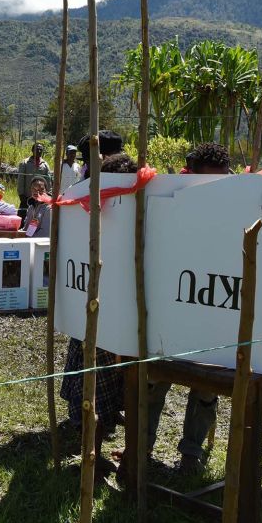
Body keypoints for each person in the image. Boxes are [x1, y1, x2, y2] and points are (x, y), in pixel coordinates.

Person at [145, 142, 231, 475]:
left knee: (207, 388)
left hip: (214, 314)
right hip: (170, 314)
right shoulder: (167, 202)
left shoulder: (235, 206)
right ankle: (141, 449)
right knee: (153, 382)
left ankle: (191, 455)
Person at [59, 141, 129, 483]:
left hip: (116, 319)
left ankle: (103, 453)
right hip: (97, 319)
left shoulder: (126, 207)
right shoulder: (84, 200)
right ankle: (93, 454)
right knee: (96, 397)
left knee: (110, 396)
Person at [16, 143, 52, 216]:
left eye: (40, 150)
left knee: (38, 218)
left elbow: (48, 181)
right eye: (37, 149)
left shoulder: (45, 165)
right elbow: (21, 180)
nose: (39, 151)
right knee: (23, 217)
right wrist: (21, 194)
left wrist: (49, 194)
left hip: (41, 198)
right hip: (27, 196)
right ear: (32, 150)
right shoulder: (25, 163)